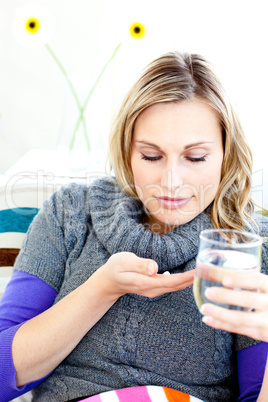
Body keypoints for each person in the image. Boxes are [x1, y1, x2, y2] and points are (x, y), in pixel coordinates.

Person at [1, 51, 268, 402]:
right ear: (127, 151)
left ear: (225, 154)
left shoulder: (250, 247)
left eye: (195, 157)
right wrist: (102, 289)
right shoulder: (69, 214)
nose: (171, 181)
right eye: (151, 156)